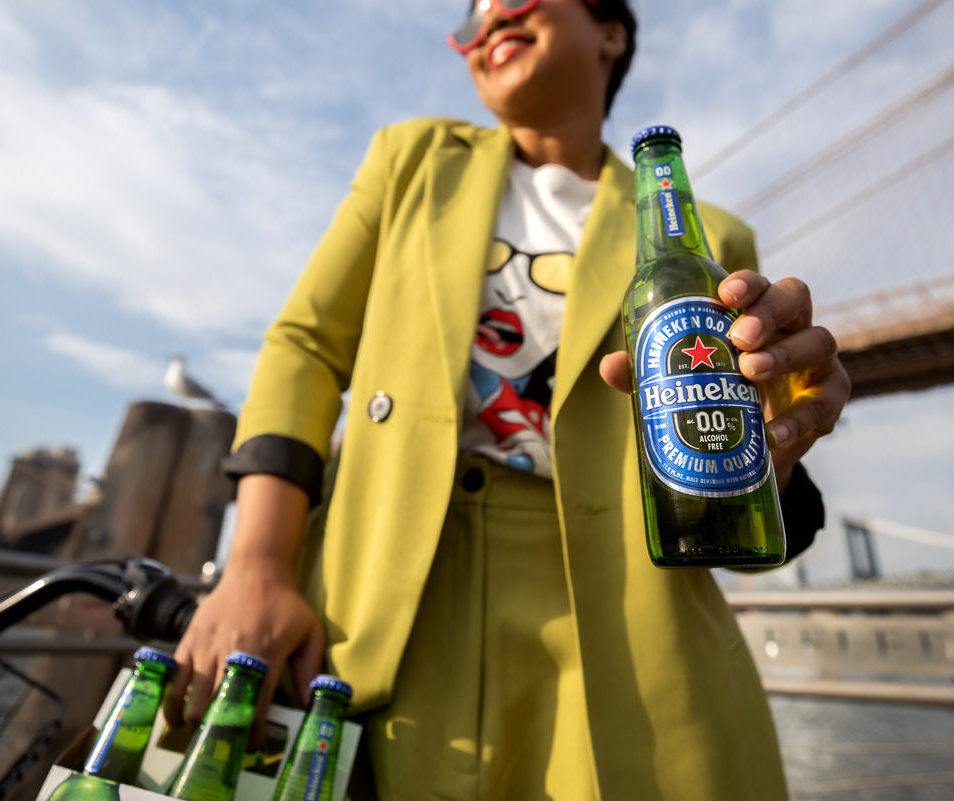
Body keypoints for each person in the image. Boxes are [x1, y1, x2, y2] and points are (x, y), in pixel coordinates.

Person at [163, 1, 850, 798]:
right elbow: (307, 346)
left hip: (631, 620)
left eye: (515, 1)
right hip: (386, 594)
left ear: (611, 31)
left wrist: (782, 448)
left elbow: (716, 475)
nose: (489, 19)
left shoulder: (706, 235)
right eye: (472, 15)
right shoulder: (412, 160)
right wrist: (256, 564)